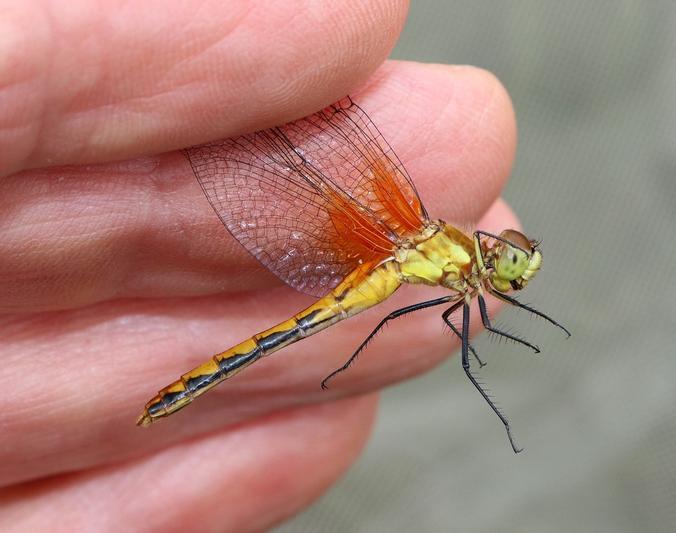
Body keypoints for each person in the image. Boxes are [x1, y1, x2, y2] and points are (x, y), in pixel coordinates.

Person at [0, 1, 518, 529]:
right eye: (507, 258)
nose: (507, 264)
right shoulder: (450, 258)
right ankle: (179, 392)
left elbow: (448, 318)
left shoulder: (459, 275)